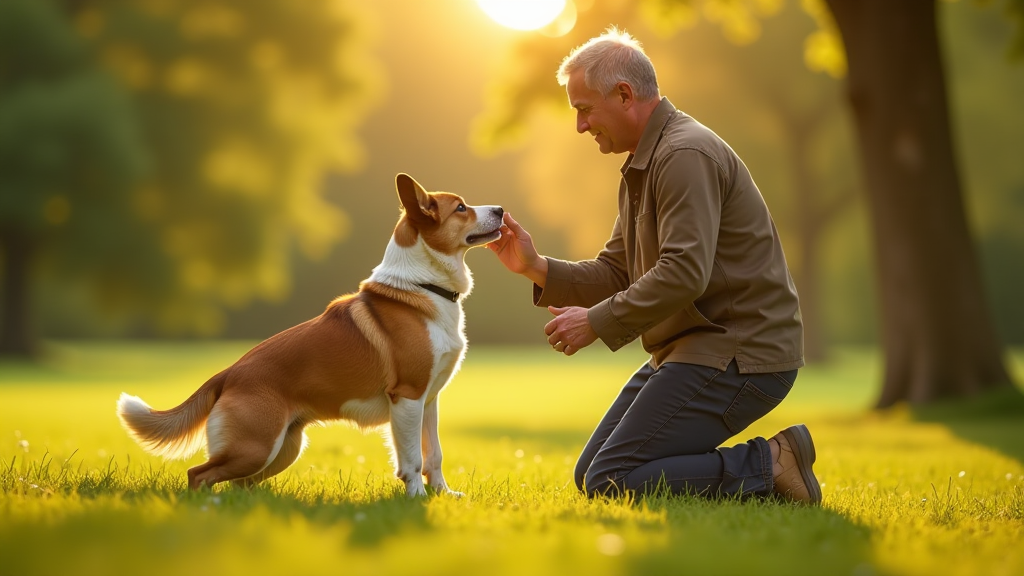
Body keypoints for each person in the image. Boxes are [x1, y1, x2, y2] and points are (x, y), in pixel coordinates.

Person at [487, 27, 821, 504]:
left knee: (611, 478)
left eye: (584, 110)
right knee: (592, 474)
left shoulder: (684, 154)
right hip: (693, 348)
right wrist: (537, 268)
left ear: (624, 94)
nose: (580, 126)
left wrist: (596, 323)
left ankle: (769, 464)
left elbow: (685, 272)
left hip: (740, 354)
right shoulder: (646, 162)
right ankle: (766, 466)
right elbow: (617, 272)